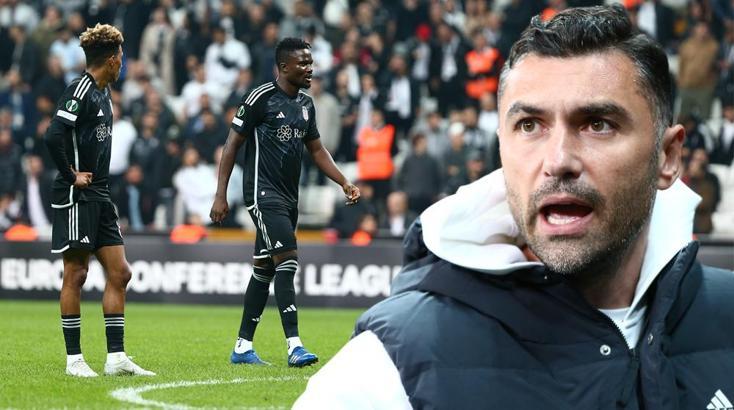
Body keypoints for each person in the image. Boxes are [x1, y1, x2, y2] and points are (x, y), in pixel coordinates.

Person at [295, 5, 734, 408]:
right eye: (529, 125)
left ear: (668, 157)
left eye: (598, 124)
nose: (558, 160)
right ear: (501, 147)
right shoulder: (382, 376)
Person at [210, 37, 360, 367]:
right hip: (262, 195)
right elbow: (231, 145)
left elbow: (317, 150)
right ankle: (294, 345)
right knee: (287, 260)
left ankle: (242, 347)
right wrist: (220, 194)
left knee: (263, 269)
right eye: (303, 63)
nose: (310, 69)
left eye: (311, 63)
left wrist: (344, 181)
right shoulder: (259, 98)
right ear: (283, 67)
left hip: (290, 198)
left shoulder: (306, 104)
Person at [43, 24, 155, 378]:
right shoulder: (80, 90)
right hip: (77, 194)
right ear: (111, 60)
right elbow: (53, 135)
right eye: (121, 57)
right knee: (76, 273)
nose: (123, 63)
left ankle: (116, 358)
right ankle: (74, 360)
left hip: (101, 194)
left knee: (120, 273)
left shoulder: (104, 92)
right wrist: (70, 174)